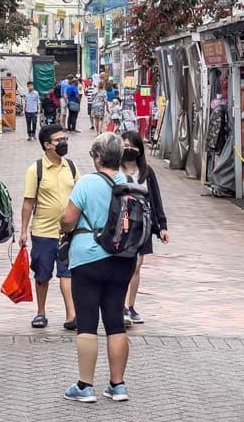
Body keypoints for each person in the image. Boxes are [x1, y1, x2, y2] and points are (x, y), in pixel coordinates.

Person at [60, 132, 137, 404]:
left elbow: (68, 220)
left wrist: (64, 227)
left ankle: (85, 386)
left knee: (88, 324)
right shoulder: (131, 182)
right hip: (123, 259)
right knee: (115, 322)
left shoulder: (87, 183)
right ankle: (118, 385)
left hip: (88, 258)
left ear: (98, 156)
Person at [20, 123, 79, 330]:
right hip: (43, 232)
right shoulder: (35, 170)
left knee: (67, 273)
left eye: (65, 139)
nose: (63, 143)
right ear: (47, 145)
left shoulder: (71, 167)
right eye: (58, 140)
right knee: (42, 275)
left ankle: (71, 315)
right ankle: (41, 312)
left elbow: (80, 197)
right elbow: (28, 202)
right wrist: (23, 231)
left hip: (68, 232)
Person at [120, 130, 169, 325]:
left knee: (137, 266)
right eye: (125, 146)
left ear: (140, 149)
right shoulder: (114, 171)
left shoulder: (147, 173)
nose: (129, 149)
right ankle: (120, 305)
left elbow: (156, 199)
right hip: (121, 225)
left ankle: (130, 306)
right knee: (123, 265)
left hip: (143, 225)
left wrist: (162, 226)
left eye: (132, 146)